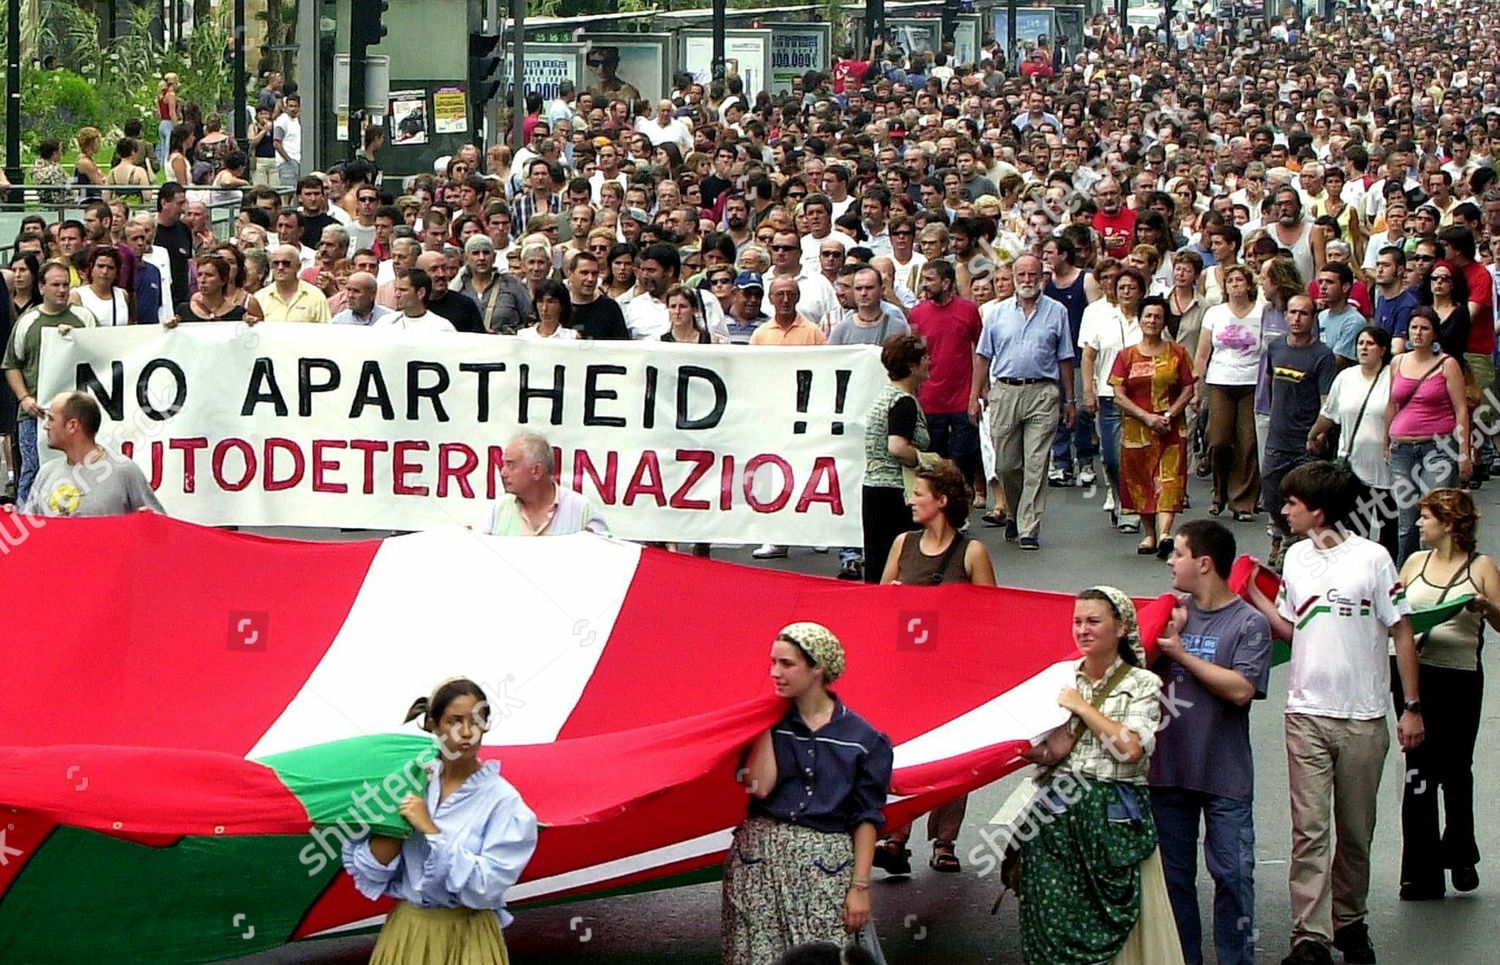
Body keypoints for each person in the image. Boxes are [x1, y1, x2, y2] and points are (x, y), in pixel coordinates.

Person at [1244, 461, 1424, 965]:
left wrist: (1410, 707)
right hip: (1305, 712)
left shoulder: (1373, 559)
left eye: (1292, 505)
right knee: (1309, 829)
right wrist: (1256, 595)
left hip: (1364, 716)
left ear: (1318, 512)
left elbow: (1401, 630)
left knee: (1356, 829)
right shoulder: (1297, 559)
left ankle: (1350, 920)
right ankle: (1310, 936)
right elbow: (1293, 628)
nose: (1284, 511)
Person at [1017, 585, 1182, 965]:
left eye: (1093, 621)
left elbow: (1130, 749)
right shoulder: (1063, 678)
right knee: (1053, 917)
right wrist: (1010, 745)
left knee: (1116, 919)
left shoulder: (1141, 683)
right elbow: (1056, 750)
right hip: (1058, 815)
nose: (1082, 630)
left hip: (1113, 817)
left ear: (1121, 628)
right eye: (1077, 622)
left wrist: (1082, 706)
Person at [725, 622, 892, 964]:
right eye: (772, 663)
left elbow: (867, 817)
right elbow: (760, 787)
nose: (775, 672)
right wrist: (762, 723)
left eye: (787, 664)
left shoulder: (864, 739)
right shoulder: (768, 725)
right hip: (759, 862)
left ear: (817, 668)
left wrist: (860, 888)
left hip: (824, 867)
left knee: (823, 957)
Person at [341, 677, 538, 965]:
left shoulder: (503, 801)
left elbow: (487, 886)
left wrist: (431, 830)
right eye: (454, 721)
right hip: (408, 932)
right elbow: (371, 871)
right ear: (434, 724)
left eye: (477, 721)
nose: (467, 732)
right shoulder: (407, 781)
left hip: (468, 938)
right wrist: (397, 826)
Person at [1154, 521, 1273, 965]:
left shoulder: (1250, 624)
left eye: (1178, 554)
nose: (1170, 561)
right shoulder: (1169, 614)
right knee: (1173, 881)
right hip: (1168, 772)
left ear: (1204, 563)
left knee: (1234, 876)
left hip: (1225, 774)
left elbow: (1242, 689)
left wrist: (1181, 652)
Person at [873, 461, 995, 874]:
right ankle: (896, 835)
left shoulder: (971, 552)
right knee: (904, 753)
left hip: (952, 673)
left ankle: (945, 841)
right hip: (905, 669)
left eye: (919, 494)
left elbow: (993, 614)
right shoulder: (902, 544)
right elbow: (878, 605)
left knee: (950, 756)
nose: (911, 500)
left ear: (941, 502)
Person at [1394, 489, 1499, 899]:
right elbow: (1397, 615)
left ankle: (1459, 851)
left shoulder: (1482, 566)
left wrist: (1485, 607)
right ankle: (1420, 871)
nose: (1419, 524)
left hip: (1460, 677)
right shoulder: (1414, 563)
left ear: (1449, 524)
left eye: (1426, 518)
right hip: (1417, 677)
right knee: (1417, 771)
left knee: (1455, 768)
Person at [970, 253, 1076, 550]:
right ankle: (1015, 512)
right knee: (1006, 464)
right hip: (1004, 390)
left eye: (1033, 275)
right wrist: (975, 395)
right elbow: (982, 356)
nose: (1027, 281)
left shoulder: (1057, 312)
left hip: (1043, 391)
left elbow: (1065, 357)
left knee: (1036, 463)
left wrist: (1070, 399)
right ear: (1014, 278)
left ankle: (1029, 526)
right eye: (1022, 275)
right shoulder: (997, 313)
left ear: (1042, 277)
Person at [1110, 295, 1196, 557]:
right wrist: (1146, 417)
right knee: (1141, 481)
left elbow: (1188, 388)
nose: (1152, 321)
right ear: (1140, 319)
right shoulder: (1126, 356)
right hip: (1137, 429)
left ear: (1164, 321)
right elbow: (1118, 393)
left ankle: (1167, 533)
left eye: (1158, 316)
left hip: (1170, 428)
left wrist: (1169, 414)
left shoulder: (1178, 353)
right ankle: (1150, 535)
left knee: (1170, 480)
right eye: (1148, 315)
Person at [4, 262, 97, 504]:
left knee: (81, 470)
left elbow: (103, 354)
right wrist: (24, 398)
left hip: (78, 413)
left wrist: (79, 339)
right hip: (36, 413)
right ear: (42, 287)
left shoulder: (83, 318)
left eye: (66, 285)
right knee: (33, 472)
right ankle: (27, 521)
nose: (62, 290)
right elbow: (11, 364)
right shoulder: (27, 322)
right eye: (55, 285)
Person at [1384, 307, 1472, 565]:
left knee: (1435, 516)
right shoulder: (1398, 362)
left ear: (1434, 333)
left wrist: (1464, 453)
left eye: (1424, 328)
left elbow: (1461, 410)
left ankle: (1436, 572)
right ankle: (1406, 576)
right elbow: (1391, 404)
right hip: (1402, 447)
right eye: (1414, 328)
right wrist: (1385, 441)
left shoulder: (1448, 364)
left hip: (1438, 446)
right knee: (1407, 521)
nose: (1418, 333)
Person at [1261, 295, 1337, 566]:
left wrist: (1318, 433)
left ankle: (1299, 547)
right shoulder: (1276, 347)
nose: (1296, 318)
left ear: (1313, 319)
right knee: (1270, 493)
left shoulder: (1323, 356)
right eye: (1292, 313)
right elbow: (1270, 383)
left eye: (1303, 314)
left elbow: (1327, 401)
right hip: (1277, 436)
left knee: (1305, 498)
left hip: (1307, 439)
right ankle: (1285, 535)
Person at [1308, 326, 1396, 559]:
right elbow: (1329, 413)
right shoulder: (1345, 377)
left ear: (1383, 349)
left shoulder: (1393, 377)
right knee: (1356, 530)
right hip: (1353, 468)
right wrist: (1314, 434)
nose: (1364, 348)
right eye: (1360, 343)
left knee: (1390, 532)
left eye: (1370, 344)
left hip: (1388, 469)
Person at [11, 391, 162, 517]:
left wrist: (148, 522)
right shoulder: (46, 473)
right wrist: (10, 518)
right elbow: (28, 533)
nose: (45, 426)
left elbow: (161, 529)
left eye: (51, 419)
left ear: (72, 426)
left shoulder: (125, 471)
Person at [1194, 265, 1264, 521]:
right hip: (1220, 380)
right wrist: (1195, 387)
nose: (1235, 285)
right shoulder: (1215, 313)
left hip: (1252, 382)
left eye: (1239, 280)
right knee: (1219, 440)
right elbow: (1202, 354)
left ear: (1249, 285)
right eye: (1230, 281)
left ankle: (1242, 502)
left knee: (1247, 443)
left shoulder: (1262, 311)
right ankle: (1219, 491)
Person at [1082, 266, 1147, 535]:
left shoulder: (1150, 318)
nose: (1126, 292)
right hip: (1110, 397)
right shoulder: (1102, 318)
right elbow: (1088, 356)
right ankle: (1120, 499)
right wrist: (1088, 389)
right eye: (1122, 288)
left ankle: (1132, 510)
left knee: (1136, 456)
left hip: (1142, 398)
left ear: (1141, 291)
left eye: (1132, 287)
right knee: (1111, 457)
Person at [862, 334, 931, 582]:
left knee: (878, 563)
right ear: (911, 366)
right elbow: (897, 447)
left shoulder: (886, 395)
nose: (929, 362)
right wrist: (928, 461)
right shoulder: (903, 402)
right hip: (894, 494)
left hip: (875, 490)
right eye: (924, 358)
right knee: (896, 566)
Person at [483, 432, 606, 536]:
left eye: (511, 466)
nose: (503, 472)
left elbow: (605, 556)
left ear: (536, 471)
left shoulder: (581, 510)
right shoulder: (499, 508)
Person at [256, 244, 331, 322]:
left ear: (298, 266)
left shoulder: (316, 297)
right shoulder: (260, 297)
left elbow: (326, 330)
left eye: (286, 263)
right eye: (276, 263)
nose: (280, 267)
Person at [69, 246, 129, 327]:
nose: (105, 271)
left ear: (116, 272)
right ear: (91, 269)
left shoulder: (122, 294)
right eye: (100, 266)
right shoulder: (77, 295)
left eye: (110, 268)